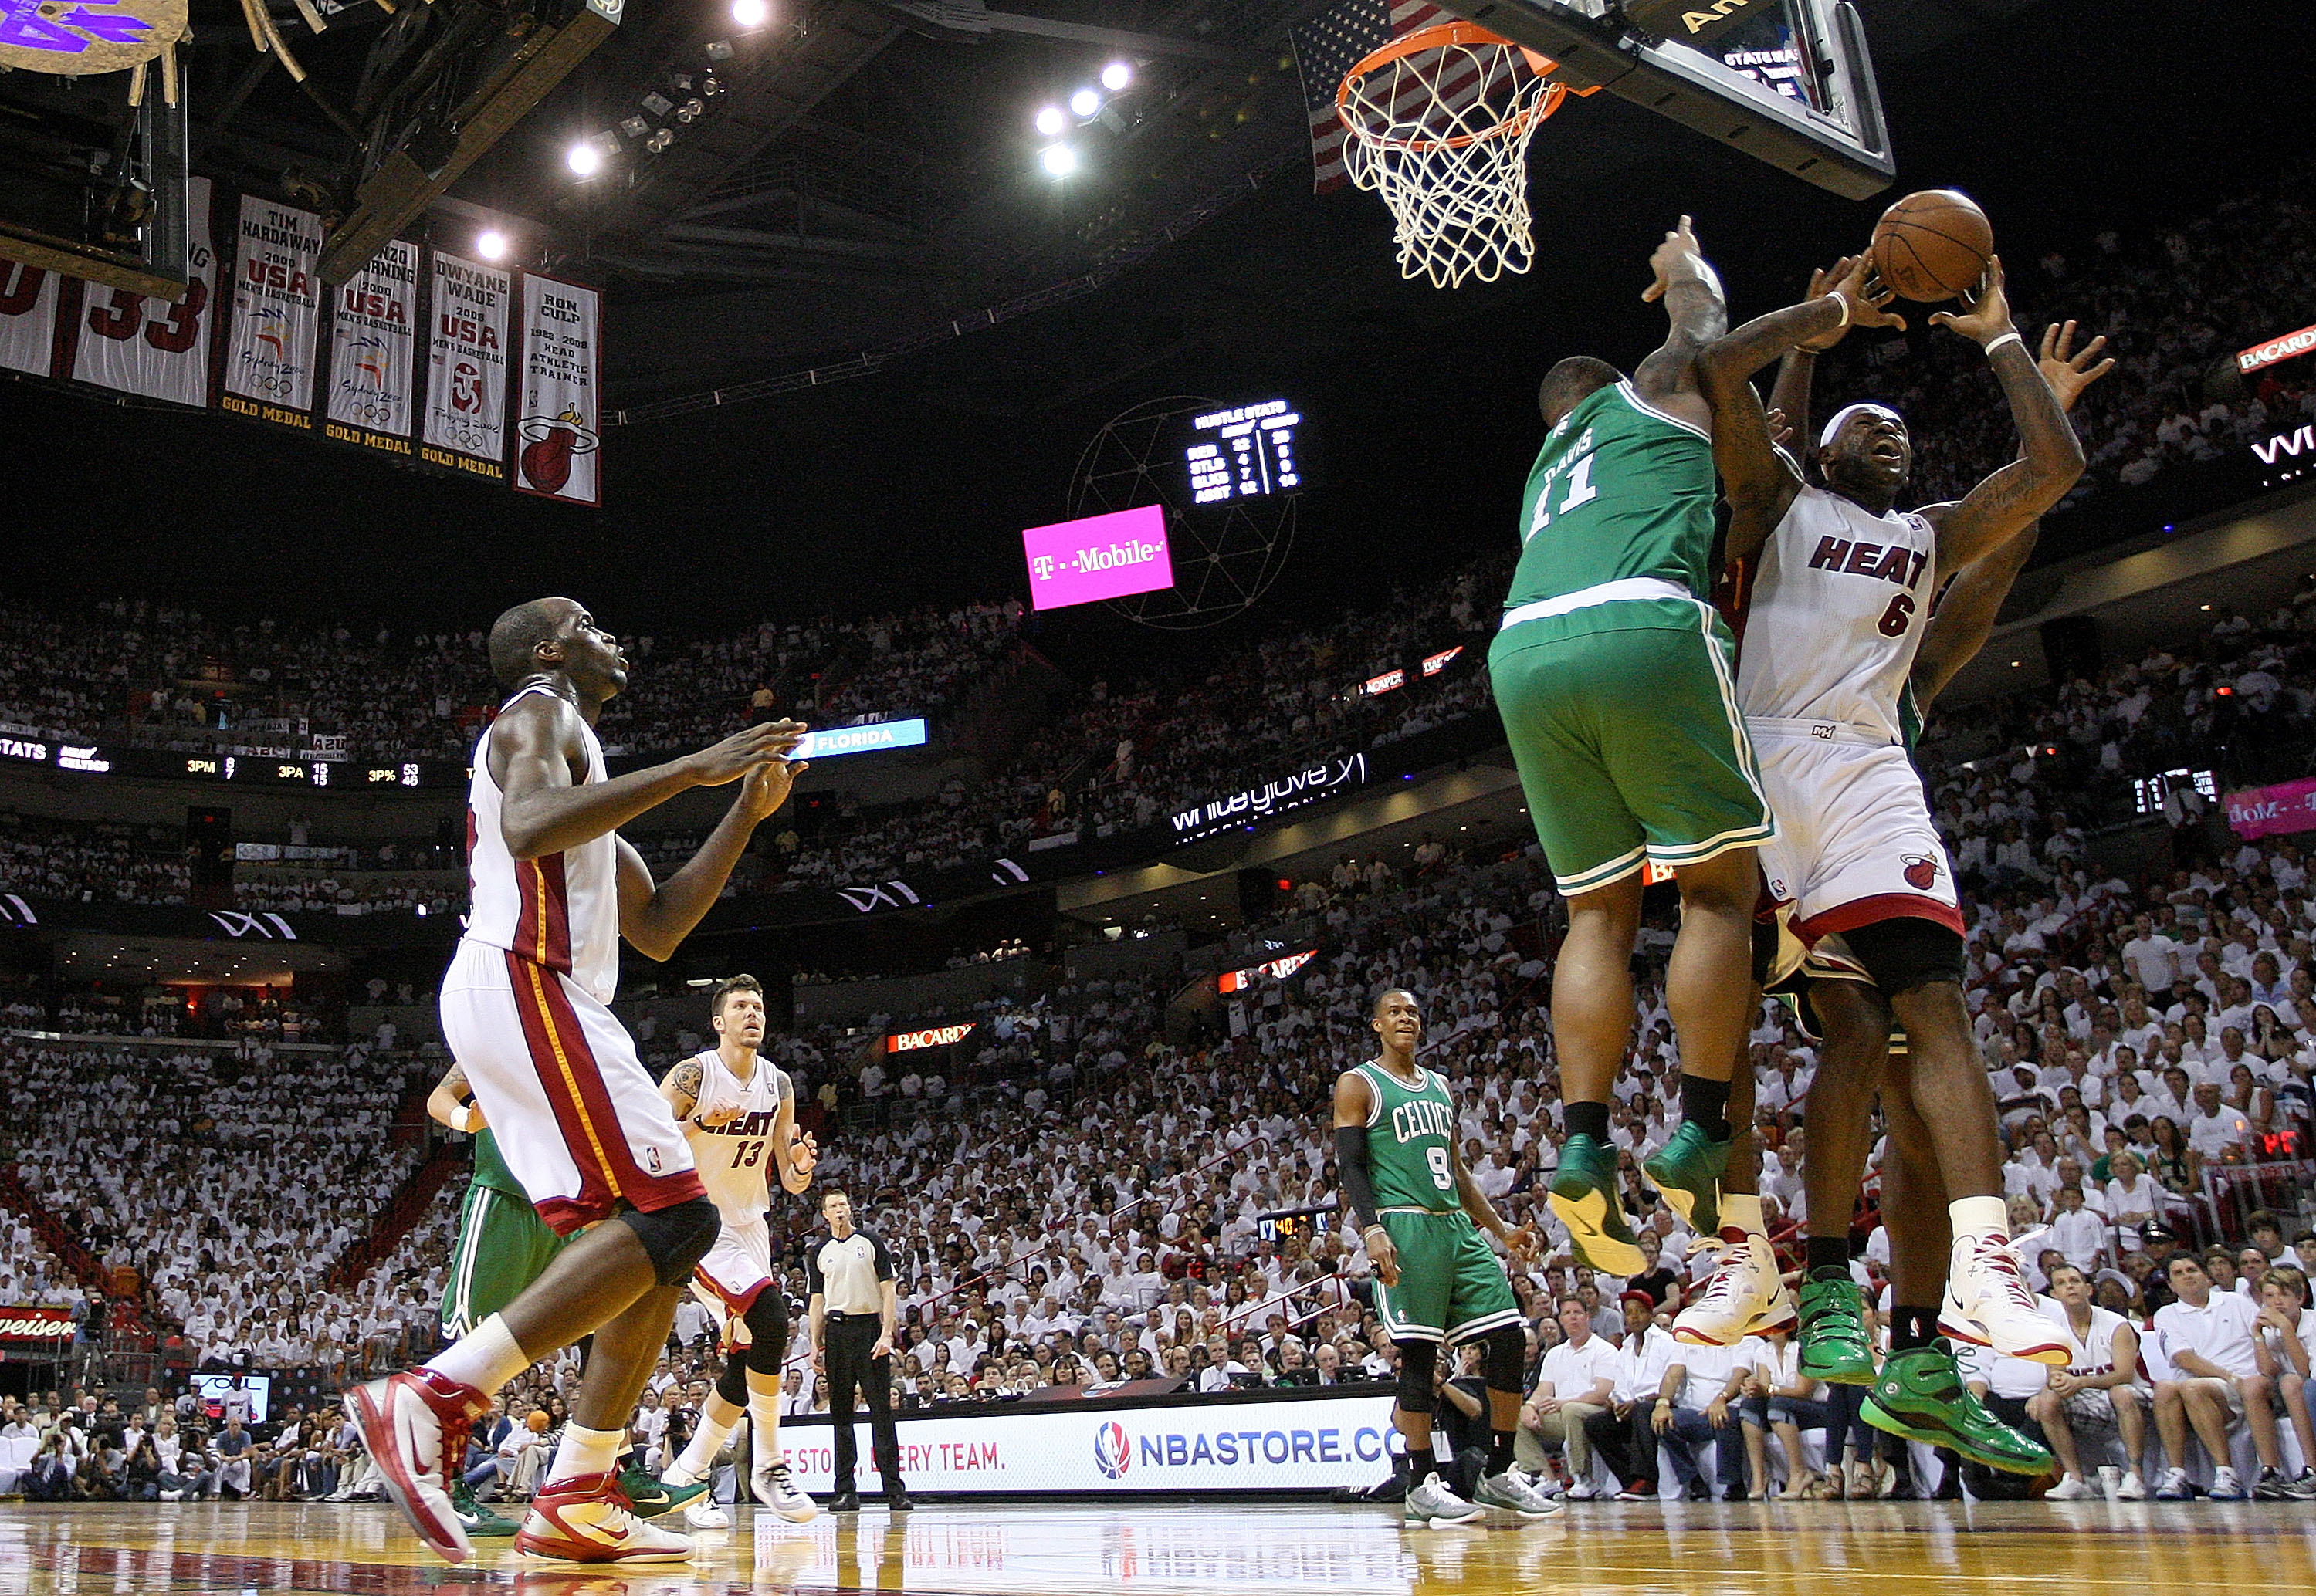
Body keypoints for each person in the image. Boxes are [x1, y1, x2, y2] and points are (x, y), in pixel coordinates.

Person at [1682, 246, 2085, 1383]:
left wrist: (2004, 343)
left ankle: (1984, 1263)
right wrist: (1820, 325)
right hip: (1757, 765)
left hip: (1867, 772)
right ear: (1820, 448)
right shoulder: (1773, 501)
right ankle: (1748, 1249)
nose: (1893, 434)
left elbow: (2048, 473)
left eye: (1903, 429)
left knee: (1925, 1009)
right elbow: (1720, 378)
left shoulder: (1928, 537)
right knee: (1729, 1006)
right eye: (1869, 425)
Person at [348, 596, 808, 1567]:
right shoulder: (537, 712)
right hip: (523, 975)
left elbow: (661, 926)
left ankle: (577, 1493)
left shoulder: (585, 773)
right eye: (593, 622)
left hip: (543, 993)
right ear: (553, 650)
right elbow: (525, 827)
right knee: (678, 1218)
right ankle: (434, 1394)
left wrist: (740, 809)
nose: (617, 634)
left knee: (661, 1239)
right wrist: (693, 765)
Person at [1485, 216, 1771, 1271]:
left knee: (1597, 912)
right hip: (1638, 620)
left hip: (1521, 649)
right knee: (1713, 894)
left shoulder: (1540, 479)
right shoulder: (1647, 389)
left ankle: (1582, 1145)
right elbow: (1706, 331)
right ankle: (1699, 1128)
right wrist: (1682, 268)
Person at [1332, 987, 1559, 1526]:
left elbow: (1456, 1170)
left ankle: (1500, 1471)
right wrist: (1372, 1229)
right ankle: (1421, 1480)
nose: (1406, 1017)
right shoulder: (1359, 1083)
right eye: (1394, 1012)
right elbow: (1351, 1165)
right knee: (1419, 1354)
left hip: (1455, 1226)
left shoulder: (1438, 1086)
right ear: (1377, 1025)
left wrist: (1501, 1229)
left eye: (1413, 1010)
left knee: (1508, 1336)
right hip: (1404, 1225)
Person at [655, 972, 820, 1528]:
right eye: (742, 1006)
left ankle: (685, 1476)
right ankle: (771, 1464)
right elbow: (645, 1144)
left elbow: (790, 1177)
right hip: (699, 1222)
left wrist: (799, 1167)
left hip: (753, 1224)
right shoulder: (693, 1075)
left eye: (760, 1006)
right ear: (719, 1022)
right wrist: (698, 1122)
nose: (754, 1014)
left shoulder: (779, 1084)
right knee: (771, 1317)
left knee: (750, 1356)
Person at [424, 1060, 560, 1540]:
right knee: (466, 1346)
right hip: (503, 1200)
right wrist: (465, 1120)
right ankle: (442, 1487)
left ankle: (599, 1482)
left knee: (596, 1325)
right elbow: (440, 1098)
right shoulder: (491, 1035)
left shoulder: (584, 1036)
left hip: (563, 1206)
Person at [806, 1189, 910, 1512]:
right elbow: (817, 1301)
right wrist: (814, 1342)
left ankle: (894, 1490)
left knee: (881, 1412)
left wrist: (886, 1334)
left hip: (868, 1330)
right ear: (824, 1214)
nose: (839, 1210)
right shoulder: (818, 1251)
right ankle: (845, 1490)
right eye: (833, 1206)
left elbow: (888, 1289)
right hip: (836, 1331)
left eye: (843, 1204)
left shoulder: (870, 1242)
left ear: (850, 1209)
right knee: (840, 1415)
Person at [2150, 1252, 2280, 1500]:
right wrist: (2229, 1377)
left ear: (2205, 1276)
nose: (2187, 1276)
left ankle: (2226, 1473)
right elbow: (2185, 1359)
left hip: (2243, 1384)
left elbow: (2262, 1334)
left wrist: (2237, 1380)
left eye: (2192, 1270)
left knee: (2191, 1388)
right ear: (2170, 1285)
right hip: (2214, 1383)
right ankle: (2177, 1474)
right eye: (2178, 1273)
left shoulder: (2236, 1302)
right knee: (2165, 1388)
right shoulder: (2166, 1315)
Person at [2028, 1263, 2149, 1500]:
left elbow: (2125, 1375)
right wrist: (2043, 1393)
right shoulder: (2053, 1332)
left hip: (2132, 1398)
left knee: (2121, 1393)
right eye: (2062, 1283)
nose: (2070, 1287)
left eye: (2075, 1281)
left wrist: (2080, 1382)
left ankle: (2135, 1475)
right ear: (2054, 1294)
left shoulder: (2117, 1324)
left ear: (2088, 1289)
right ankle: (2075, 1478)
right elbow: (2056, 1376)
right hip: (2088, 1402)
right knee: (2047, 1402)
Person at [1517, 1297, 1620, 1496]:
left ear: (1587, 1317)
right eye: (1567, 1313)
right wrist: (1529, 1406)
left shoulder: (1604, 1350)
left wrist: (1565, 1402)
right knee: (1520, 1417)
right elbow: (1544, 1389)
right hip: (1563, 1415)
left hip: (1596, 1414)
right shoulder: (1555, 1354)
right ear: (1560, 1320)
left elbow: (1603, 1393)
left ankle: (1583, 1477)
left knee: (1572, 1410)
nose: (1573, 1318)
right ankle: (1546, 1478)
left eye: (1577, 1313)